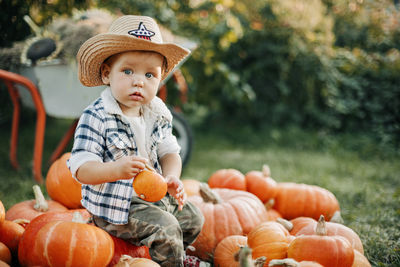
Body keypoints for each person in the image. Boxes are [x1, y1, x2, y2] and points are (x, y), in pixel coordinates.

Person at [68, 15, 206, 267]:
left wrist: (172, 176)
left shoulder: (156, 112)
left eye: (150, 75)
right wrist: (116, 169)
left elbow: (169, 152)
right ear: (107, 74)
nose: (139, 81)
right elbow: (81, 168)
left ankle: (169, 256)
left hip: (152, 195)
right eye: (128, 71)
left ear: (160, 78)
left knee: (193, 218)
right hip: (116, 205)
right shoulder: (96, 116)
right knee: (166, 228)